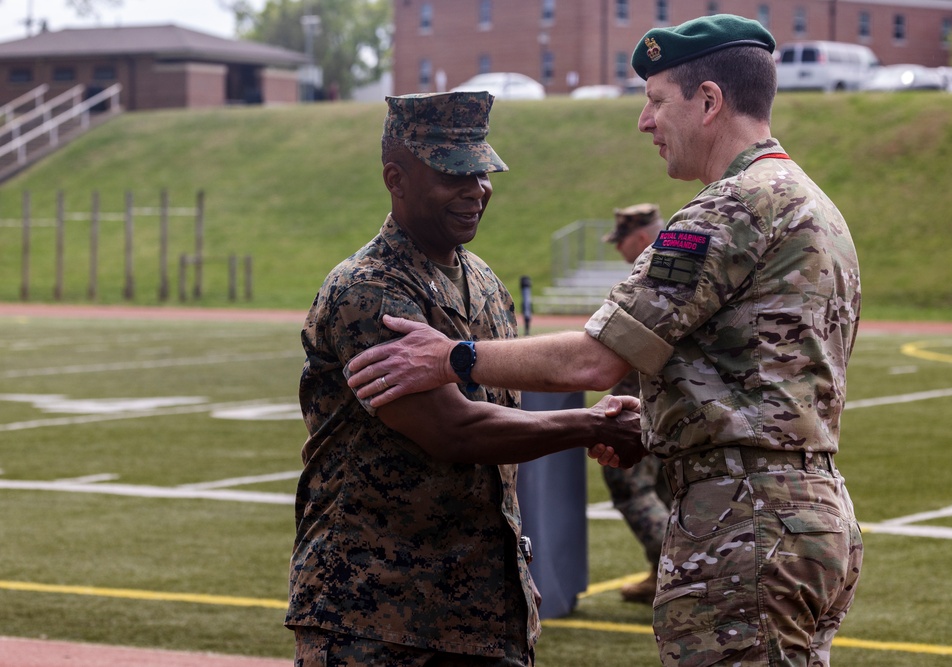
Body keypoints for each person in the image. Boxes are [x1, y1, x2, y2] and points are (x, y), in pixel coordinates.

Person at [346, 15, 865, 667]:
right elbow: (763, 373)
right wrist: (655, 423)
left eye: (654, 101)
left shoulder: (726, 210)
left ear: (708, 101)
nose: (644, 122)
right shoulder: (813, 205)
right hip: (811, 514)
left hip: (745, 521)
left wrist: (451, 355)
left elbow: (595, 356)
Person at [285, 90, 644, 667]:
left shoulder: (482, 281)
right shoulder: (369, 291)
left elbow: (511, 394)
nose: (476, 189)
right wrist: (588, 425)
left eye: (482, 172)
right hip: (376, 615)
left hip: (483, 608)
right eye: (454, 174)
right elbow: (454, 430)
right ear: (395, 178)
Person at [600, 203, 671, 605]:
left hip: (638, 404)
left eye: (621, 241)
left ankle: (672, 573)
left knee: (632, 490)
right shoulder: (679, 268)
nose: (618, 249)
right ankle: (664, 573)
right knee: (665, 493)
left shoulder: (650, 278)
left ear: (641, 238)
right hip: (669, 402)